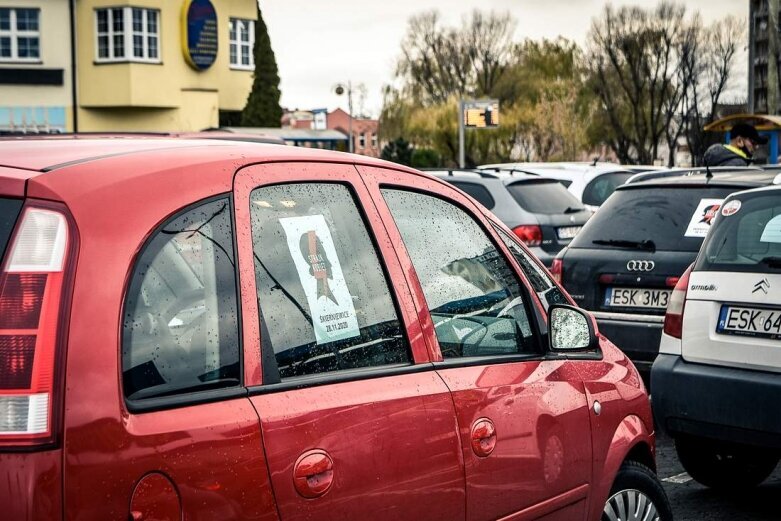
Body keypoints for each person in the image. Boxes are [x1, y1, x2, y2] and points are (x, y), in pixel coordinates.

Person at [703, 122, 768, 167]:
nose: (756, 147)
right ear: (739, 141)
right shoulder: (739, 164)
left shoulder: (713, 157)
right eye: (753, 142)